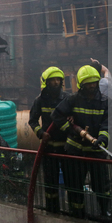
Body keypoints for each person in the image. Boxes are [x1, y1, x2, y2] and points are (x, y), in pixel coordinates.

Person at [52, 65, 112, 219]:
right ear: (81, 85)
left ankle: (104, 211)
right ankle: (77, 212)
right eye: (88, 83)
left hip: (96, 151)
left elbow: (108, 123)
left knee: (102, 185)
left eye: (94, 83)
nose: (92, 86)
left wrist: (103, 138)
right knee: (75, 184)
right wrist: (73, 130)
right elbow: (56, 116)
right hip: (76, 150)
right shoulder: (72, 100)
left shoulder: (106, 102)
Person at [28, 66, 69, 213]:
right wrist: (41, 133)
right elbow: (32, 121)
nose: (56, 82)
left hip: (66, 148)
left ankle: (75, 212)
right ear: (46, 82)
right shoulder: (39, 101)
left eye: (58, 80)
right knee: (50, 182)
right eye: (53, 80)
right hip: (48, 149)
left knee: (71, 181)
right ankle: (52, 210)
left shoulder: (66, 99)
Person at [90, 58, 112, 188]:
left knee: (100, 154)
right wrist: (98, 64)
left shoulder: (95, 86)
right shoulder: (108, 82)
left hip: (101, 127)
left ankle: (103, 181)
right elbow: (106, 71)